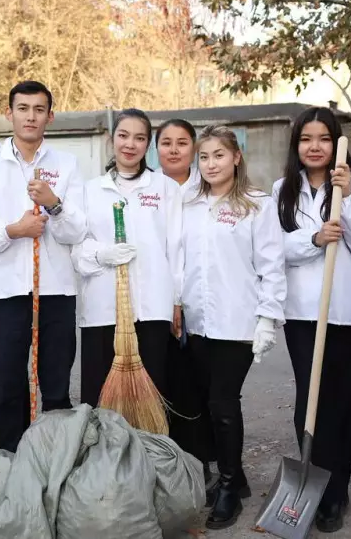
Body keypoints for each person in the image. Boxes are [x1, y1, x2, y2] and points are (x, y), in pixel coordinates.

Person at [272, 107, 351, 533]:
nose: (314, 147)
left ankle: (336, 493)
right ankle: (309, 486)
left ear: (336, 142)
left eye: (323, 139)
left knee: (343, 404)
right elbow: (274, 249)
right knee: (310, 400)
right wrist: (314, 238)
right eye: (306, 139)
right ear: (296, 145)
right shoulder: (284, 190)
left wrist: (350, 197)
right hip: (304, 314)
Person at [0, 80, 87, 453]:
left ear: (49, 116)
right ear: (9, 114)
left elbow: (76, 231)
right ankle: (9, 466)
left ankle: (55, 464)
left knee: (54, 386)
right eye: (23, 108)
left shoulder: (66, 164)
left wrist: (54, 205)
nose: (30, 116)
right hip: (7, 292)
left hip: (56, 292)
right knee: (8, 386)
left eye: (38, 109)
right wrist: (15, 230)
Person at [180, 125, 285, 530]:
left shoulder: (257, 205)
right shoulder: (189, 203)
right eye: (204, 157)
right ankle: (235, 477)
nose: (210, 164)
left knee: (224, 405)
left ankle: (226, 486)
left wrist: (267, 320)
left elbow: (272, 267)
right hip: (197, 322)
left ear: (236, 157)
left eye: (218, 156)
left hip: (236, 323)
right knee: (204, 405)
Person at [72, 108, 182, 409]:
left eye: (139, 138)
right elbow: (77, 250)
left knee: (151, 394)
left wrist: (176, 301)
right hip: (103, 309)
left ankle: (149, 452)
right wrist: (102, 255)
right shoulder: (90, 191)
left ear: (148, 145)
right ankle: (102, 455)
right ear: (112, 139)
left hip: (152, 310)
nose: (130, 144)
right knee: (100, 395)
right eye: (123, 136)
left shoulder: (165, 189)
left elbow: (177, 250)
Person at [155, 118, 217, 491]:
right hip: (158, 303)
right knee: (169, 385)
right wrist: (169, 301)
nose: (174, 150)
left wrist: (181, 300)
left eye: (182, 142)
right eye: (166, 143)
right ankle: (173, 464)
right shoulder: (149, 188)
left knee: (203, 386)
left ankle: (207, 464)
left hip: (200, 301)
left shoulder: (207, 190)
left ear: (194, 148)